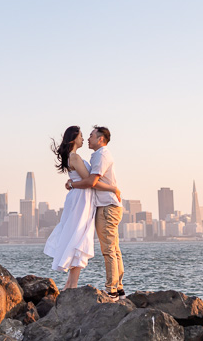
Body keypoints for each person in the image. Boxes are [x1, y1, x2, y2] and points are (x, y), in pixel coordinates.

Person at [44, 125, 121, 289]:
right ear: (73, 139)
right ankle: (72, 285)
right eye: (81, 136)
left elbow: (87, 182)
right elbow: (90, 182)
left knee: (78, 238)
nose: (84, 138)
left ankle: (69, 285)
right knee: (79, 238)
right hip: (81, 200)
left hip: (81, 198)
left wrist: (72, 183)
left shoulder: (74, 157)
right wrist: (113, 188)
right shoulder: (75, 158)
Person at [66, 126, 125, 298]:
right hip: (108, 205)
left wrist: (72, 184)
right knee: (114, 249)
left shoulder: (100, 155)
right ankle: (118, 288)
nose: (88, 139)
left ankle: (111, 290)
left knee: (108, 250)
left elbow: (92, 181)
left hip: (107, 206)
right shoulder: (100, 155)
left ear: (100, 139)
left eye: (91, 136)